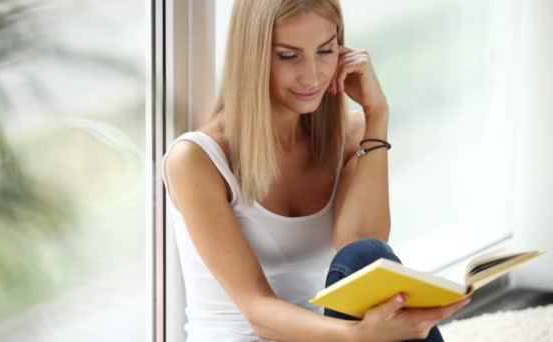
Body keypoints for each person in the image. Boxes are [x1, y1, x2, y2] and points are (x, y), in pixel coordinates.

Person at [162, 0, 471, 340]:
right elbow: (256, 309)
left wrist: (376, 114)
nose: (312, 75)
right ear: (252, 57)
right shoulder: (196, 159)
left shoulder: (350, 136)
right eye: (289, 56)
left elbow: (360, 245)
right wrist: (358, 335)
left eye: (325, 51)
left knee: (368, 254)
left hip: (323, 335)